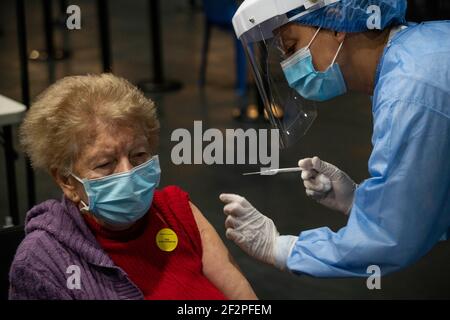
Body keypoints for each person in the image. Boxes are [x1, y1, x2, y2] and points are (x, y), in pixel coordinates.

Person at [220, 0, 450, 277]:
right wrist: (360, 200)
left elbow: (393, 237)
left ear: (336, 22)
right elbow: (432, 201)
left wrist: (280, 248)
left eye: (292, 47)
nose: (290, 66)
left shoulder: (409, 89)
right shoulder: (418, 53)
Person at [9, 74, 256, 300]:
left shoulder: (177, 212)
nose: (128, 173)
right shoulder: (42, 261)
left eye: (138, 155)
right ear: (66, 181)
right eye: (105, 163)